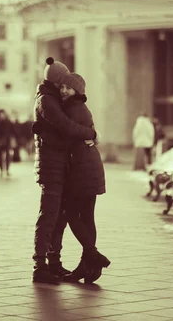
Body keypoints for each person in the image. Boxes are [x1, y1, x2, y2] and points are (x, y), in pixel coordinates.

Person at [31, 57, 97, 284]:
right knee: (48, 217)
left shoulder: (52, 99)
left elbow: (59, 133)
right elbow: (66, 128)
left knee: (58, 218)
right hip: (51, 169)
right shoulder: (46, 101)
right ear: (58, 81)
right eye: (64, 83)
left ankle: (54, 264)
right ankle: (40, 267)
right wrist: (90, 133)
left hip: (59, 167)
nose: (65, 88)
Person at [50, 72, 110, 284]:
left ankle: (92, 255)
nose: (64, 90)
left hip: (82, 170)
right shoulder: (80, 108)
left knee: (70, 212)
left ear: (78, 91)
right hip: (89, 167)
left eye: (69, 87)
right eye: (62, 87)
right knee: (87, 217)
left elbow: (65, 136)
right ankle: (87, 266)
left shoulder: (72, 108)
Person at [0, 109, 16, 177]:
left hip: (7, 142)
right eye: (0, 114)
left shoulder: (9, 122)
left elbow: (13, 131)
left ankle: (7, 170)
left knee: (8, 157)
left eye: (3, 114)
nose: (2, 116)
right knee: (0, 157)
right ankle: (1, 170)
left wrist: (14, 139)